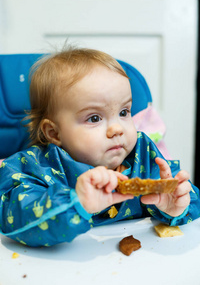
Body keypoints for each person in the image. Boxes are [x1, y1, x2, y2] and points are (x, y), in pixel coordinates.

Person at [0, 47, 199, 247]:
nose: (117, 129)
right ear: (54, 133)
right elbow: (12, 218)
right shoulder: (32, 168)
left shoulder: (144, 156)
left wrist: (175, 207)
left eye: (124, 112)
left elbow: (190, 197)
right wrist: (75, 202)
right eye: (94, 118)